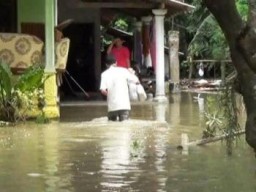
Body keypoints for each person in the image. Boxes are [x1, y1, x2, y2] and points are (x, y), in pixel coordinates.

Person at [100, 54, 139, 121]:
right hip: (124, 105)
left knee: (111, 126)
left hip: (112, 106)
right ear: (116, 62)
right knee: (124, 126)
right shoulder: (124, 70)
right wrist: (131, 73)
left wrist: (110, 95)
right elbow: (137, 81)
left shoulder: (104, 74)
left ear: (106, 65)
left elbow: (103, 90)